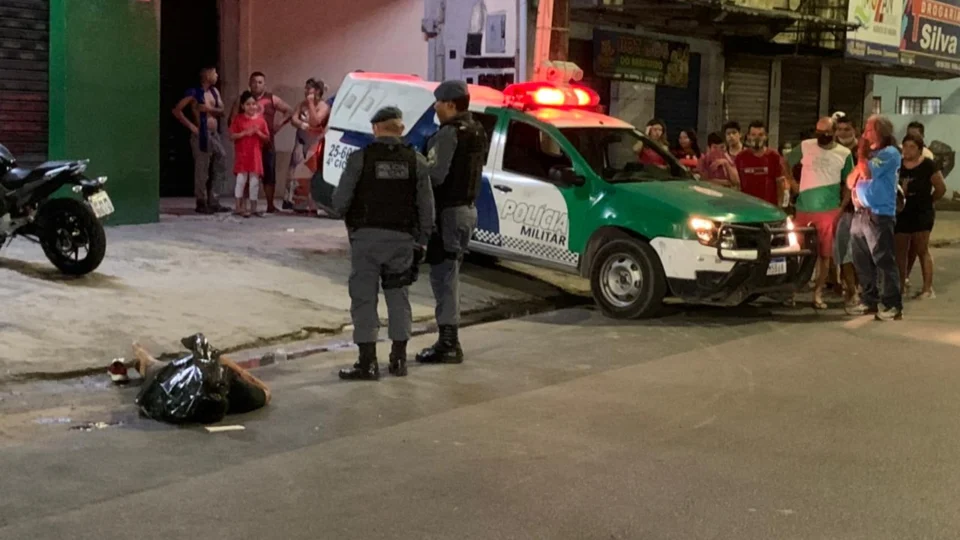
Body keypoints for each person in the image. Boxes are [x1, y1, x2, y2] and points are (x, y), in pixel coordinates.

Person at [332, 107, 435, 381]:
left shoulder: (360, 160)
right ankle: (398, 359)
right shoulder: (417, 162)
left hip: (365, 240)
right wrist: (422, 241)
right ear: (401, 130)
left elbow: (340, 203)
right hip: (402, 240)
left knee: (364, 298)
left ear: (376, 128)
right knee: (398, 297)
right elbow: (427, 209)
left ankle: (367, 363)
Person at [415, 80, 487, 365]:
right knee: (449, 274)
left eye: (438, 102)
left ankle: (448, 343)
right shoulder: (477, 129)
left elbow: (436, 175)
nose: (435, 107)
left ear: (451, 104)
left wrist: (417, 165)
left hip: (449, 212)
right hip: (467, 210)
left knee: (444, 278)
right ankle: (448, 340)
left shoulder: (449, 134)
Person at [786, 117, 854, 309]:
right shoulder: (806, 146)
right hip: (804, 208)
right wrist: (792, 183)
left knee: (825, 255)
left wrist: (842, 206)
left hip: (828, 211)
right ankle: (792, 291)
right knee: (797, 252)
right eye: (818, 132)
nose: (821, 137)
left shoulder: (844, 153)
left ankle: (817, 292)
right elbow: (785, 161)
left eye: (826, 133)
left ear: (834, 133)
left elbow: (849, 182)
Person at [846, 115, 903, 320]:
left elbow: (867, 173)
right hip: (860, 214)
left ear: (881, 132)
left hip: (879, 215)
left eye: (868, 130)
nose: (864, 134)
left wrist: (862, 155)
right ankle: (869, 300)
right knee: (861, 260)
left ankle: (892, 304)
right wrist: (862, 162)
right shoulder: (870, 155)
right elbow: (850, 181)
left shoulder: (890, 153)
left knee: (883, 260)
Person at [131, 341, 270, 419]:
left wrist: (238, 370)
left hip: (175, 379)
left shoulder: (231, 384)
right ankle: (139, 355)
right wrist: (242, 373)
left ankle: (138, 352)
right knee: (151, 366)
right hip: (181, 387)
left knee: (151, 365)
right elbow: (266, 393)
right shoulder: (239, 391)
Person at [229, 72, 294, 214]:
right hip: (246, 144)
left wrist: (278, 125)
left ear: (264, 84)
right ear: (249, 83)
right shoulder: (242, 99)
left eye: (260, 82)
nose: (256, 85)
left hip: (266, 141)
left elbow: (289, 111)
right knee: (244, 175)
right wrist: (240, 133)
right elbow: (233, 119)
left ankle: (270, 205)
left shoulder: (272, 99)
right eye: (254, 82)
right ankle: (243, 205)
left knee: (269, 172)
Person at [895, 133, 947, 300]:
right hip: (902, 212)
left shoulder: (928, 165)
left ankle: (927, 288)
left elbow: (940, 188)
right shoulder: (898, 165)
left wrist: (929, 201)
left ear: (920, 149)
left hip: (921, 212)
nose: (908, 151)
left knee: (921, 249)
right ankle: (900, 285)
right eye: (905, 146)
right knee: (900, 251)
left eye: (912, 147)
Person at [172, 66, 230, 214]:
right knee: (202, 168)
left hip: (214, 134)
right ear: (207, 75)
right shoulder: (194, 93)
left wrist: (208, 110)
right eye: (214, 73)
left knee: (221, 160)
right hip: (201, 134)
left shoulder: (214, 92)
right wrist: (192, 127)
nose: (217, 75)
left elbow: (222, 112)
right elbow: (177, 110)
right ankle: (201, 201)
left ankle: (214, 199)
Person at [284, 78, 330, 214]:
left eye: (308, 88)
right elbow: (293, 118)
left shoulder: (324, 106)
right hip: (301, 141)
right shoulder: (301, 104)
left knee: (312, 173)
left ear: (317, 91)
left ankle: (313, 205)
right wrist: (300, 124)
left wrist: (311, 103)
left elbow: (316, 121)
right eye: (305, 88)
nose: (305, 91)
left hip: (315, 143)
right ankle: (298, 203)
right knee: (297, 172)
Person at [832, 114, 860, 304]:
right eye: (839, 130)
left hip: (856, 209)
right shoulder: (832, 151)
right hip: (835, 208)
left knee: (855, 251)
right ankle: (843, 285)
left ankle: (854, 289)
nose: (842, 133)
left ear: (854, 131)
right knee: (840, 250)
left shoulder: (861, 152)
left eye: (846, 130)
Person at [229, 91, 271, 217]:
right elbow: (232, 136)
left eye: (253, 104)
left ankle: (253, 208)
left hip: (255, 156)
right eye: (248, 104)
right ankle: (238, 206)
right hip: (242, 155)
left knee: (254, 182)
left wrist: (258, 132)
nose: (251, 107)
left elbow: (267, 138)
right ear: (243, 106)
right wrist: (244, 133)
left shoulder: (261, 121)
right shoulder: (238, 119)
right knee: (241, 181)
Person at [735, 121, 785, 206]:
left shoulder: (774, 156)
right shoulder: (740, 158)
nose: (757, 138)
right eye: (753, 135)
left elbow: (780, 183)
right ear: (748, 136)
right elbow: (737, 184)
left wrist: (779, 206)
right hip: (747, 207)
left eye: (760, 135)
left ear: (766, 137)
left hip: (769, 208)